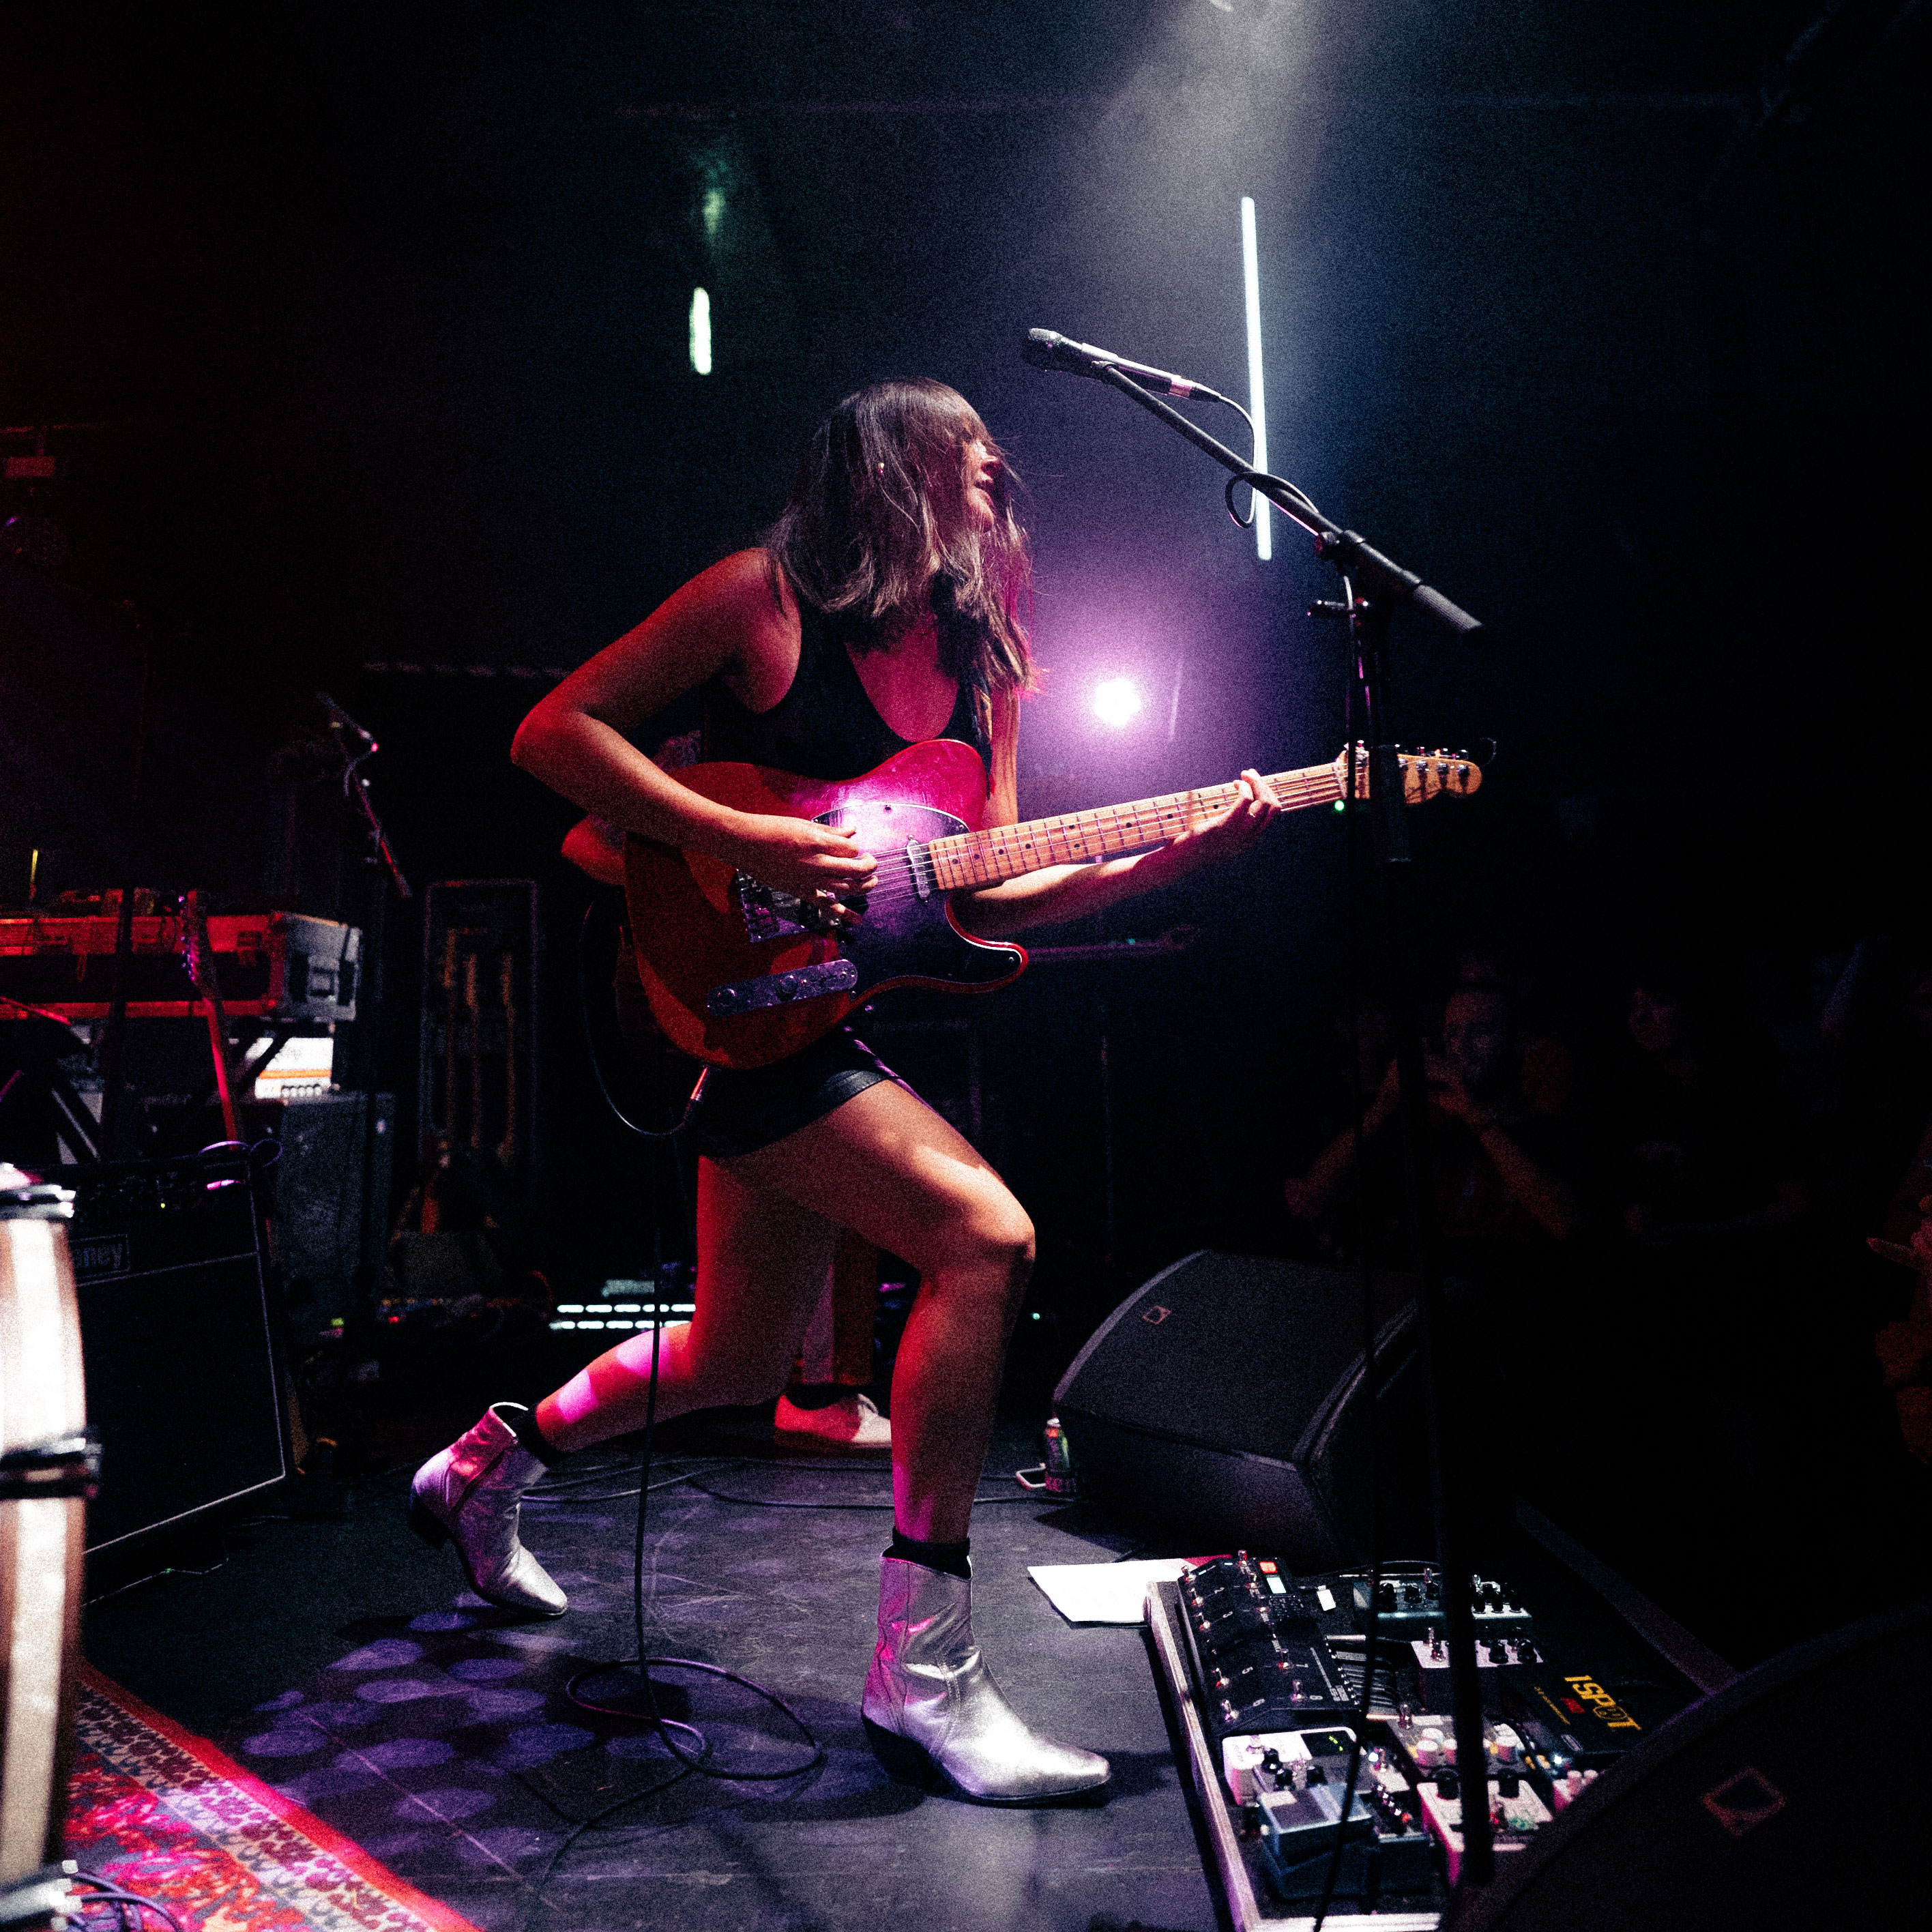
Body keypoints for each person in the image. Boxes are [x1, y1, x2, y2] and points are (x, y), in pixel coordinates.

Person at [409, 378, 1278, 1803]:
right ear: (891, 468)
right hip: (733, 1000)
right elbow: (553, 736)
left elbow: (989, 891)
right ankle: (924, 1671)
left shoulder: (988, 660)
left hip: (810, 1017)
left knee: (735, 1359)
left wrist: (1170, 860)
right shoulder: (764, 599)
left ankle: (484, 1463)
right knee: (985, 1238)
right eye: (968, 452)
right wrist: (734, 835)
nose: (997, 473)